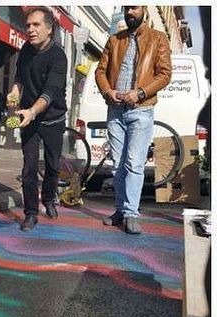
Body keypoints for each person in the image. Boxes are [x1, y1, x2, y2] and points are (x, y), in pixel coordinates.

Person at [95, 7, 173, 234]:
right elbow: (100, 71)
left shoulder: (158, 38)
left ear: (143, 10)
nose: (130, 11)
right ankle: (120, 210)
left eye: (134, 7)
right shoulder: (114, 40)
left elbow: (165, 74)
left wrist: (140, 92)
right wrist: (108, 91)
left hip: (141, 109)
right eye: (127, 7)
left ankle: (131, 213)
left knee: (134, 163)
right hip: (115, 110)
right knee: (117, 165)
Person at [8, 7, 68, 231]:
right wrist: (15, 92)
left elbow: (50, 92)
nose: (30, 29)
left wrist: (33, 111)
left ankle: (49, 198)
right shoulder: (25, 50)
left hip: (52, 118)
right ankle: (31, 213)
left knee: (53, 165)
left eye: (36, 25)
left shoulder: (58, 56)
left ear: (49, 29)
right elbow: (19, 78)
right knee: (29, 168)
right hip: (28, 118)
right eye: (28, 25)